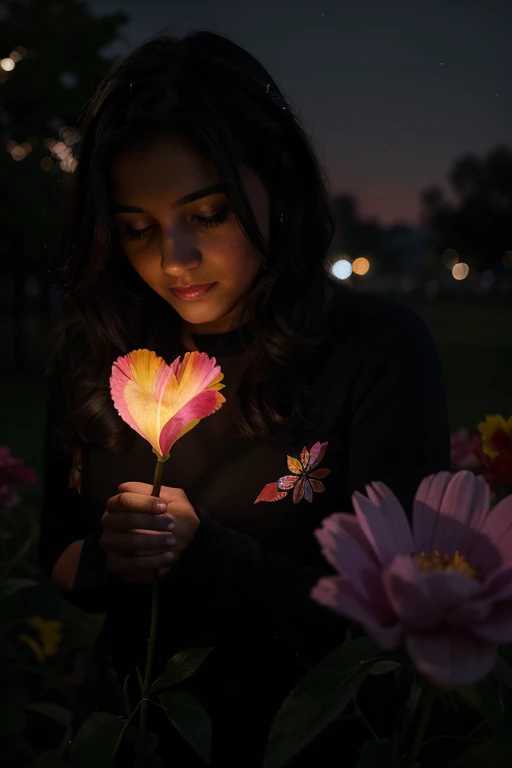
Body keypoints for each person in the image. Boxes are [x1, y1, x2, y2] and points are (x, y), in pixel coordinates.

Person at [37, 29, 450, 767]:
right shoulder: (93, 354)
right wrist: (112, 557)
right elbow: (57, 553)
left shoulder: (373, 349)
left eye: (209, 214)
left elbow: (392, 618)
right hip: (130, 738)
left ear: (278, 181)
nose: (173, 260)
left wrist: (203, 558)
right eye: (137, 229)